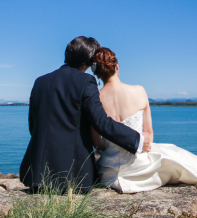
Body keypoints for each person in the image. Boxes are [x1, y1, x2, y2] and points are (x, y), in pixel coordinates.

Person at [91, 47, 197, 198]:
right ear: (116, 66)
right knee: (174, 153)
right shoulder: (138, 91)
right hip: (139, 171)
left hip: (109, 173)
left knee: (169, 152)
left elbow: (97, 143)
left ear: (97, 74)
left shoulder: (94, 100)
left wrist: (113, 146)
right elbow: (149, 135)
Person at [20, 36, 151, 192]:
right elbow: (101, 122)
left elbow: (33, 125)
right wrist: (137, 139)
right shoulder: (85, 81)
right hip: (72, 174)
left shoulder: (40, 81)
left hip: (36, 172)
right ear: (89, 62)